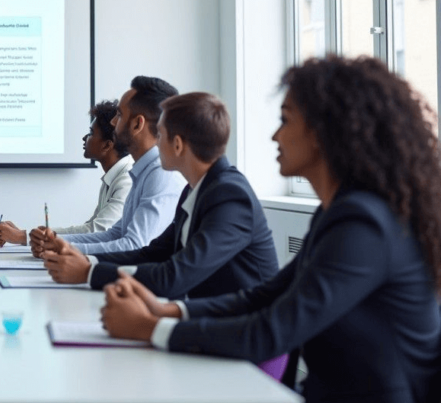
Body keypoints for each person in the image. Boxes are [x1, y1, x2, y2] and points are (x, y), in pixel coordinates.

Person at [102, 56, 441, 403]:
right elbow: (267, 294)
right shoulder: (338, 213)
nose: (275, 134)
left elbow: (272, 328)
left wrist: (151, 328)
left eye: (285, 120)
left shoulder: (363, 224)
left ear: (325, 131)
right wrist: (169, 311)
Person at [43, 92, 279, 300]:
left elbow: (174, 275)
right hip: (207, 321)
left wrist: (88, 272)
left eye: (160, 135)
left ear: (176, 145)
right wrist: (86, 262)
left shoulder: (230, 194)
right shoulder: (195, 189)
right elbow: (153, 253)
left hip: (239, 337)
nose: (154, 145)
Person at [32, 77, 185, 263]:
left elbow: (134, 245)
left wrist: (64, 250)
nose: (113, 122)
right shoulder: (143, 171)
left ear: (137, 124)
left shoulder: (161, 174)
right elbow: (115, 234)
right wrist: (57, 243)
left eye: (119, 115)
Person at [0, 100, 132, 245]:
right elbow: (88, 229)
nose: (84, 138)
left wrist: (22, 236)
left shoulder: (127, 180)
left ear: (107, 145)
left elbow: (96, 231)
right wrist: (30, 235)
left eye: (91, 133)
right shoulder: (113, 177)